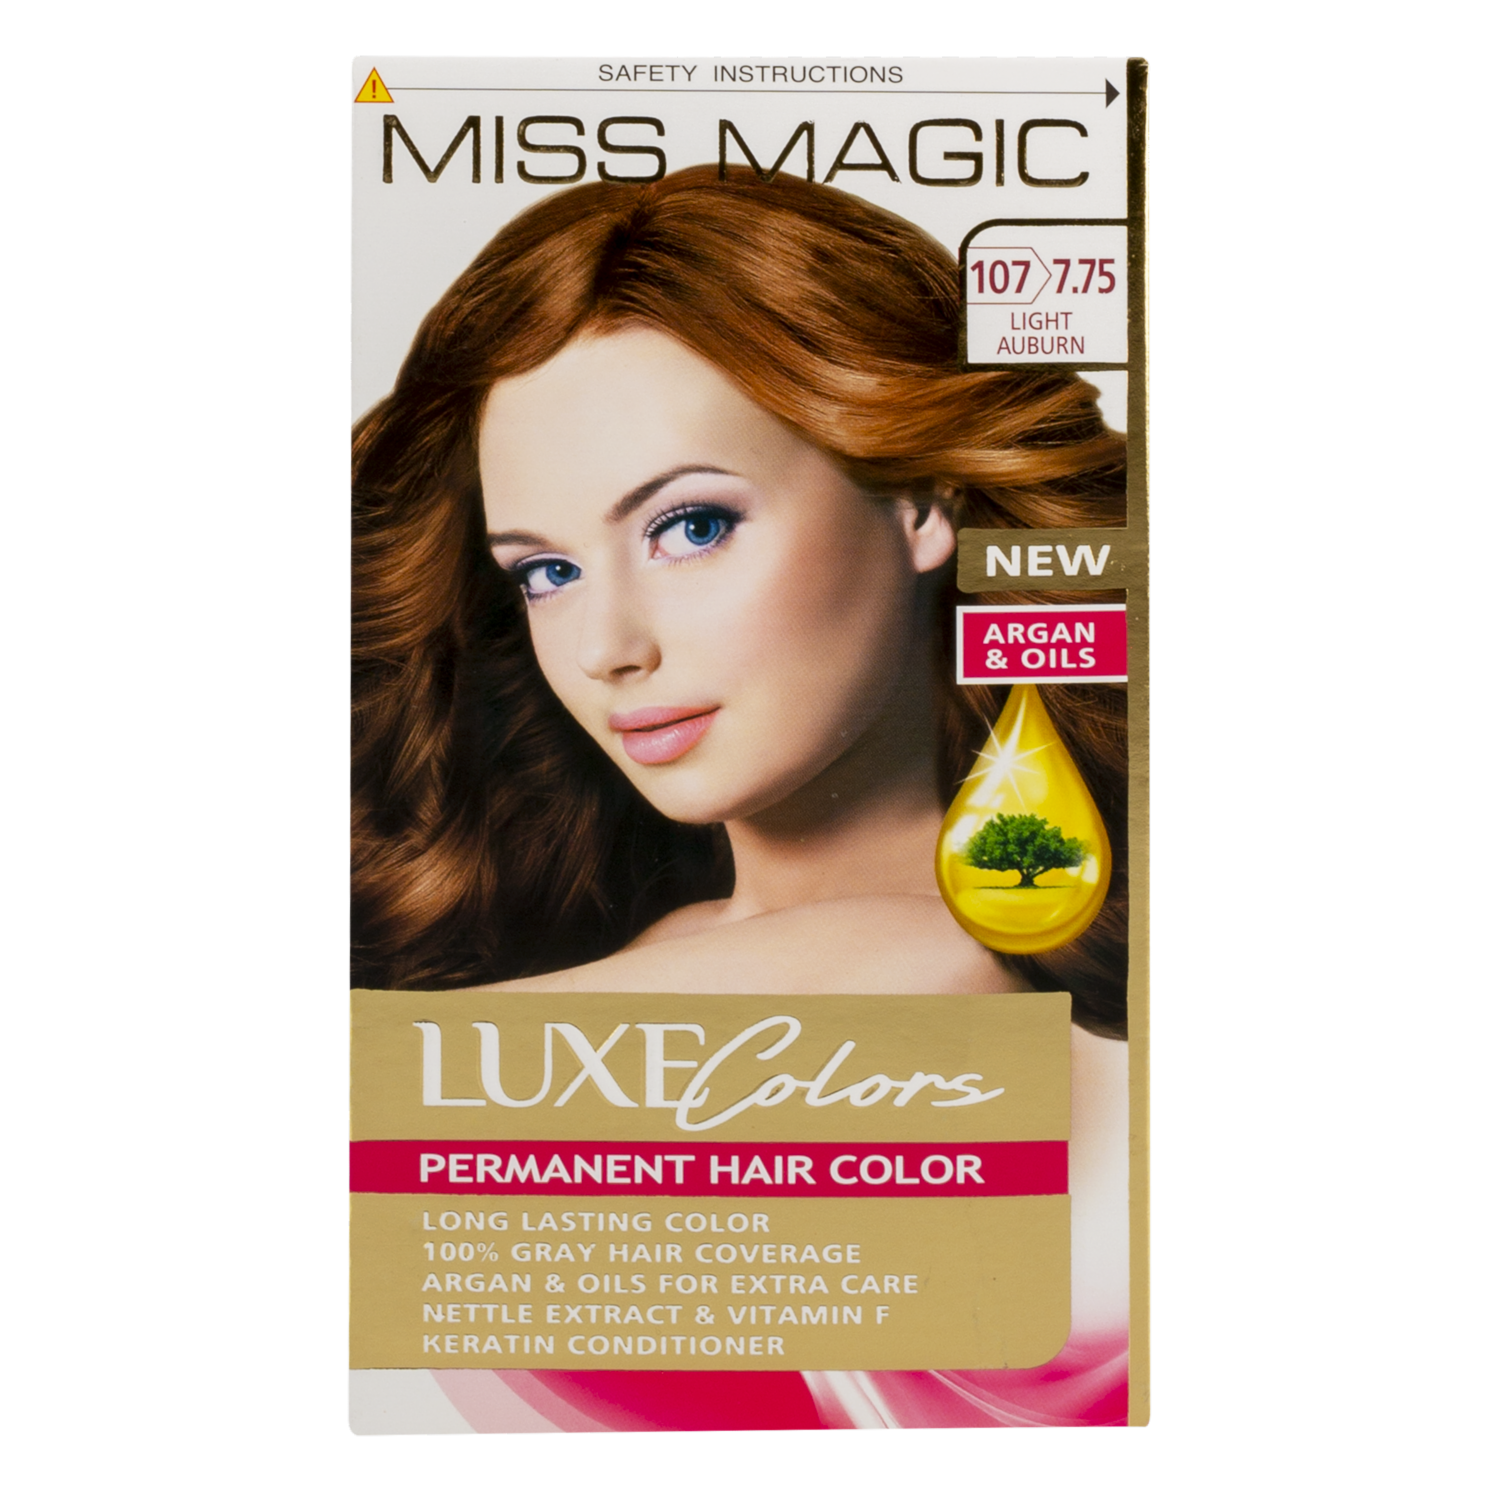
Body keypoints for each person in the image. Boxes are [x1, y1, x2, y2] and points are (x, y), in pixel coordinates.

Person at [351, 164, 1130, 1429]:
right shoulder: (608, 964)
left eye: (692, 527)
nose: (607, 647)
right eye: (545, 572)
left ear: (919, 501)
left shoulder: (954, 964)